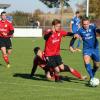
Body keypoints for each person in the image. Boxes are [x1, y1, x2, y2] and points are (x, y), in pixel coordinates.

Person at [69, 17, 100, 82]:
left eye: (87, 24)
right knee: (86, 61)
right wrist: (71, 46)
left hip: (95, 48)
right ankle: (92, 78)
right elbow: (74, 37)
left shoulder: (93, 27)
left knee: (97, 66)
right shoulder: (80, 30)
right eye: (84, 24)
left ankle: (92, 73)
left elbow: (97, 30)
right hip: (86, 49)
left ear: (89, 23)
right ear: (82, 24)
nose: (85, 25)